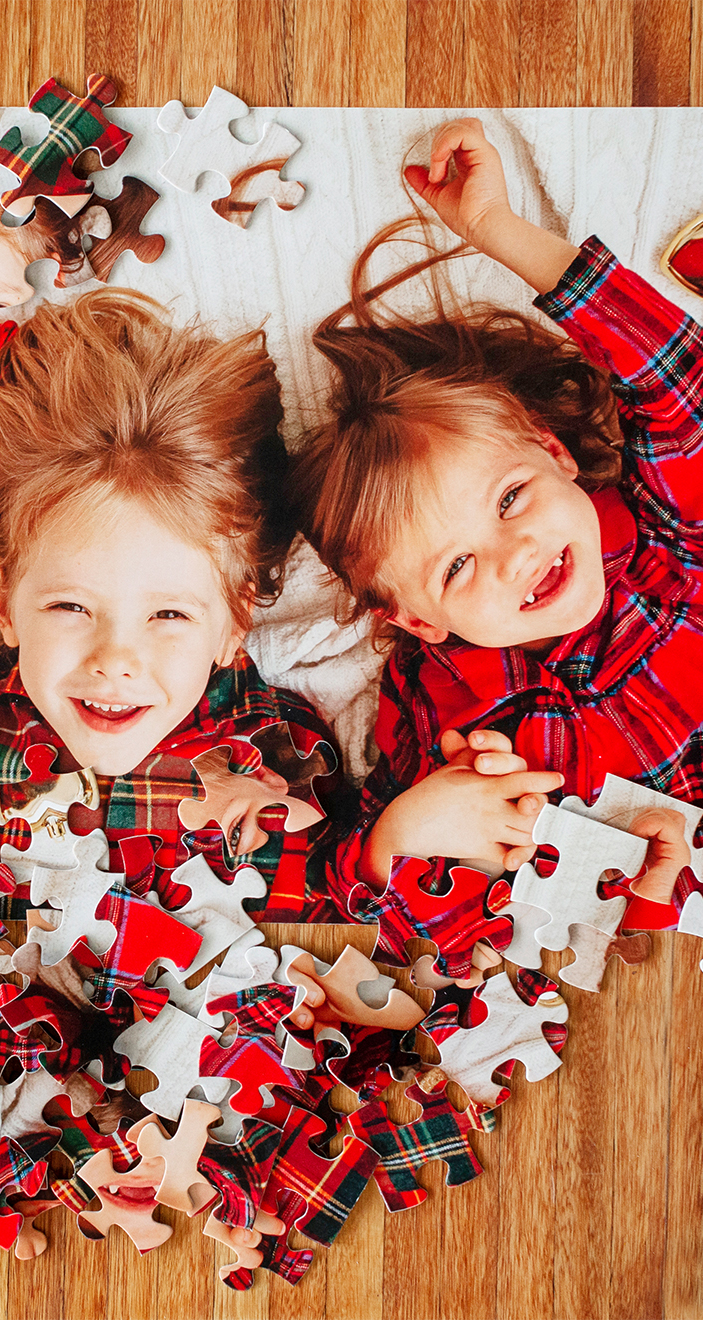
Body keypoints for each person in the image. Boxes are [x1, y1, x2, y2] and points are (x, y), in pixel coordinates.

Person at [286, 118, 693, 919]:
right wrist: (394, 838)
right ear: (416, 619)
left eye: (510, 498)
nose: (514, 556)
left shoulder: (669, 549)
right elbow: (390, 911)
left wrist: (499, 232)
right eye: (455, 567)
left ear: (556, 453)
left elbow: (683, 390)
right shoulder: (451, 711)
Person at [0, 287, 346, 921]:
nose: (117, 658)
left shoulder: (272, 743)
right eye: (71, 608)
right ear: (4, 602)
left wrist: (285, 836)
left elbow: (325, 926)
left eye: (169, 615)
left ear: (235, 621)